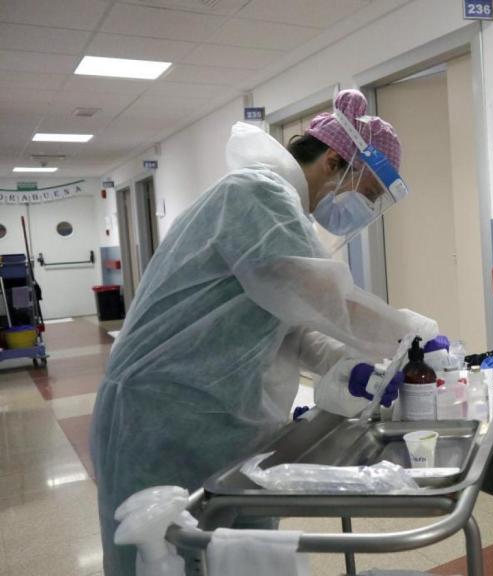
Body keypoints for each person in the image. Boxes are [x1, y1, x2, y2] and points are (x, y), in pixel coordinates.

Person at [90, 89, 438, 575]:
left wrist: (347, 365)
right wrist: (411, 334)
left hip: (215, 415)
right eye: (370, 193)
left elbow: (287, 324)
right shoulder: (254, 196)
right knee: (162, 555)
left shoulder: (283, 213)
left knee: (231, 556)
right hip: (164, 416)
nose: (364, 209)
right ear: (336, 161)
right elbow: (325, 301)